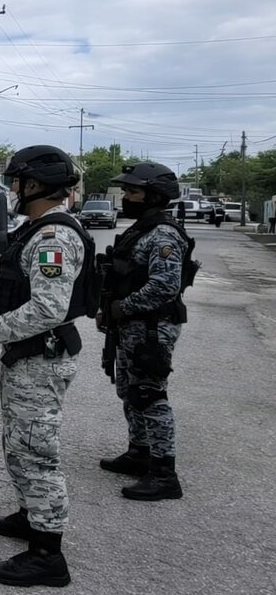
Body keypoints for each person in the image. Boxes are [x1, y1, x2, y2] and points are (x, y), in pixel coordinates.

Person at [0, 145, 92, 588]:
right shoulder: (36, 231)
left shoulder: (52, 237)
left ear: (35, 185)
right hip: (30, 356)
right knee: (20, 444)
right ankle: (30, 514)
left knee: (37, 452)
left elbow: (48, 309)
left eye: (17, 181)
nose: (13, 189)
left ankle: (47, 555)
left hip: (41, 357)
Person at [98, 162, 188, 501]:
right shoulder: (142, 229)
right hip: (132, 325)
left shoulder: (163, 234)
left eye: (132, 191)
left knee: (150, 394)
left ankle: (164, 473)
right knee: (129, 389)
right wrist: (109, 309)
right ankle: (140, 452)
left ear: (153, 196)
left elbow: (165, 285)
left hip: (152, 327)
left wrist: (124, 307)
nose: (125, 196)